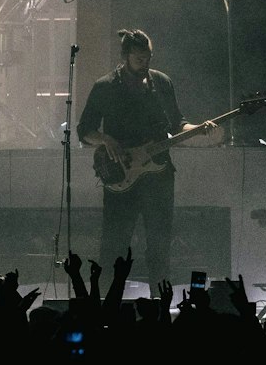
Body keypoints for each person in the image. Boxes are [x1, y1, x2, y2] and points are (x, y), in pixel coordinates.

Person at [77, 28, 214, 284]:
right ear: (125, 56)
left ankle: (159, 299)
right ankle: (107, 301)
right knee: (114, 246)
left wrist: (197, 129)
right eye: (139, 59)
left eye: (148, 58)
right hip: (121, 174)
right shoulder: (105, 86)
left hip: (159, 174)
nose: (145, 63)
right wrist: (106, 139)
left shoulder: (161, 82)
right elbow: (84, 131)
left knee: (160, 245)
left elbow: (177, 123)